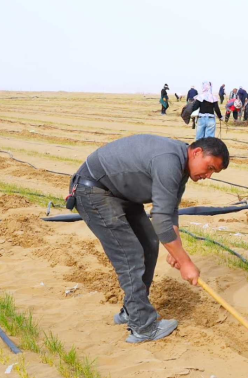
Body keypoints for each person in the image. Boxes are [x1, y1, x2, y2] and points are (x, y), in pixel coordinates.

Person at [69, 135, 230, 343]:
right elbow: (161, 219)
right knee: (130, 254)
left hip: (119, 193)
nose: (208, 176)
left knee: (149, 244)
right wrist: (185, 262)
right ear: (197, 152)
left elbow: (169, 211)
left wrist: (177, 251)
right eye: (209, 168)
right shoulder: (169, 160)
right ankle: (143, 326)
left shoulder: (181, 166)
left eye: (213, 173)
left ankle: (133, 309)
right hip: (93, 191)